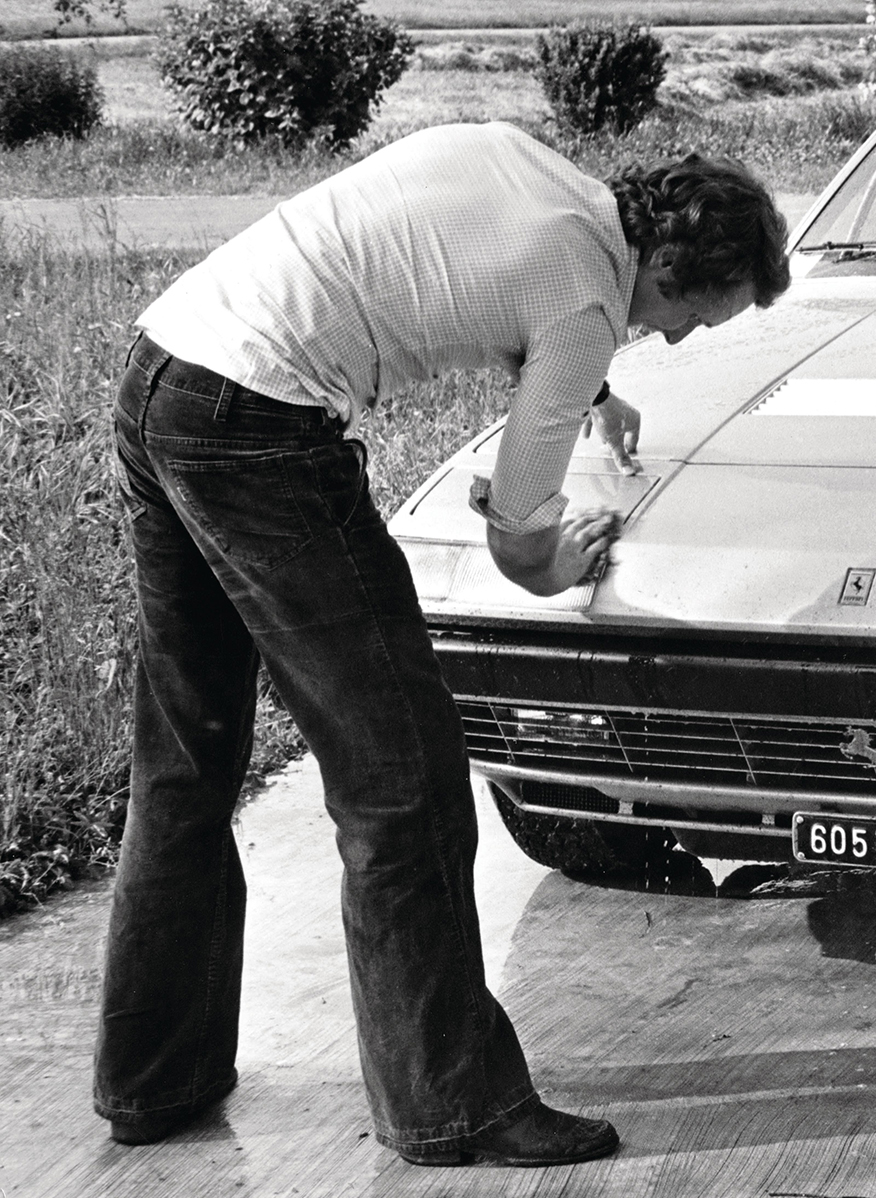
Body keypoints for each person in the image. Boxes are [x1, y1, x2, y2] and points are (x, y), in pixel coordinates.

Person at [96, 121, 789, 1166]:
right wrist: (567, 562)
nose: (684, 338)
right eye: (696, 314)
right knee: (404, 778)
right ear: (672, 267)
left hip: (166, 368)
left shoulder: (534, 170)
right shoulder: (588, 304)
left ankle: (154, 1080)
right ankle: (450, 1103)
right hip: (257, 425)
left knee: (187, 755)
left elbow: (488, 263)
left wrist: (588, 395)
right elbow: (519, 538)